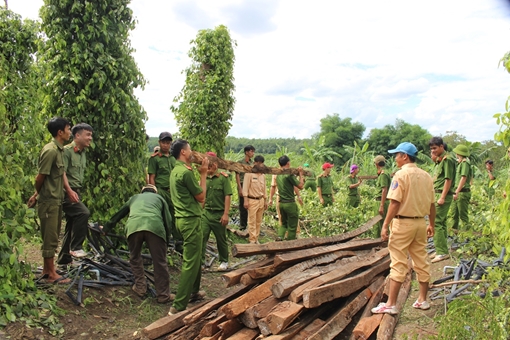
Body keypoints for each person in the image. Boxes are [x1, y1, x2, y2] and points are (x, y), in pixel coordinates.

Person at [371, 142, 435, 315]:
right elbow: (432, 204)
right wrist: (431, 224)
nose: (395, 158)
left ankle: (391, 303)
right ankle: (422, 300)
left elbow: (395, 202)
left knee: (398, 262)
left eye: (397, 155)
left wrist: (385, 225)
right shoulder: (426, 176)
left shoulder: (400, 175)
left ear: (405, 156)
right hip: (420, 223)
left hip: (403, 223)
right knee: (421, 260)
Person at [103, 184, 173, 303]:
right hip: (155, 227)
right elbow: (168, 219)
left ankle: (140, 288)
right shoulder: (160, 199)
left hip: (134, 227)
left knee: (135, 258)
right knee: (159, 261)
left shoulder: (134, 198)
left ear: (142, 192)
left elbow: (119, 213)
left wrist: (106, 228)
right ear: (155, 192)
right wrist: (166, 238)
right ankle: (163, 295)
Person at [27, 117, 73, 284]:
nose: (70, 132)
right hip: (49, 201)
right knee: (50, 236)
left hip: (56, 199)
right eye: (68, 129)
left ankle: (48, 270)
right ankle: (51, 274)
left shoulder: (59, 150)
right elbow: (40, 178)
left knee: (53, 235)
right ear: (60, 132)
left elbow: (58, 175)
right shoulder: (51, 151)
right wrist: (37, 194)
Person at [169, 139, 208, 315]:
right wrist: (204, 174)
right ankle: (178, 305)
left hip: (183, 219)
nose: (192, 152)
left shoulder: (175, 170)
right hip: (190, 220)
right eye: (190, 149)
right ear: (183, 152)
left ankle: (194, 292)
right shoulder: (185, 173)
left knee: (197, 256)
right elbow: (201, 197)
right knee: (190, 262)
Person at [57, 123, 93, 267]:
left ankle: (64, 259)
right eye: (87, 135)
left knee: (71, 225)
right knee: (83, 213)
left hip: (75, 191)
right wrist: (69, 191)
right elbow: (61, 172)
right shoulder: (67, 151)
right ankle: (76, 247)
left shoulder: (83, 153)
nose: (90, 138)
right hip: (66, 192)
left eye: (91, 135)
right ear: (77, 135)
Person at [148, 132, 180, 251]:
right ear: (159, 143)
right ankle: (164, 242)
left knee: (175, 216)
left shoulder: (174, 158)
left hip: (174, 192)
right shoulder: (154, 159)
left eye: (168, 143)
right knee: (163, 217)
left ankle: (178, 242)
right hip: (161, 191)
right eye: (163, 142)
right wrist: (153, 193)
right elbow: (152, 177)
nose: (166, 145)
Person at [201, 152, 232, 271]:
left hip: (219, 214)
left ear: (215, 164)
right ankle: (201, 262)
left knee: (221, 238)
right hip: (206, 213)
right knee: (202, 237)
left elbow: (227, 196)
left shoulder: (223, 178)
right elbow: (202, 196)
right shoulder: (204, 178)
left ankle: (224, 261)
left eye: (210, 163)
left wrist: (225, 214)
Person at [429, 136, 456, 263]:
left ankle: (442, 252)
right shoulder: (440, 161)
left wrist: (443, 197)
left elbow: (448, 180)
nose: (433, 151)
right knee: (442, 222)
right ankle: (442, 248)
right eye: (431, 149)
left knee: (436, 222)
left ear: (441, 147)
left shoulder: (447, 160)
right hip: (438, 193)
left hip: (442, 194)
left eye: (435, 148)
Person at [270, 155, 304, 241]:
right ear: (288, 163)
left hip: (281, 203)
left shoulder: (278, 175)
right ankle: (290, 242)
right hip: (290, 203)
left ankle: (280, 237)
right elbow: (300, 186)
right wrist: (300, 174)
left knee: (284, 224)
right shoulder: (289, 175)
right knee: (292, 226)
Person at [242, 155, 267, 244]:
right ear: (255, 163)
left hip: (261, 200)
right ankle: (252, 240)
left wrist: (265, 200)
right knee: (251, 220)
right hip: (252, 200)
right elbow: (245, 188)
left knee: (258, 220)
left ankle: (256, 238)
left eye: (262, 164)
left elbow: (264, 189)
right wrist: (245, 200)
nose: (260, 165)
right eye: (259, 163)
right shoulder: (249, 174)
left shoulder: (262, 175)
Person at [451, 145, 473, 232]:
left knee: (463, 215)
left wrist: (457, 191)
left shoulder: (465, 163)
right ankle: (454, 232)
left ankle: (467, 233)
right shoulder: (460, 163)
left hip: (462, 192)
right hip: (458, 191)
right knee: (454, 214)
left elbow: (463, 178)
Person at [235, 145, 255, 230]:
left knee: (251, 204)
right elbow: (237, 176)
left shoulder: (252, 163)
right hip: (243, 184)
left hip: (251, 185)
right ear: (246, 152)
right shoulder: (240, 162)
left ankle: (250, 225)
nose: (252, 153)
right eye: (251, 151)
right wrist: (240, 188)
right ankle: (243, 225)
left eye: (253, 151)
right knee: (243, 205)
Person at [374, 155, 391, 237]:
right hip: (382, 201)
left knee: (380, 224)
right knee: (379, 223)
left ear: (377, 164)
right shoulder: (382, 173)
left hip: (382, 201)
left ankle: (382, 243)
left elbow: (384, 189)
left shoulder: (383, 174)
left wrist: (381, 205)